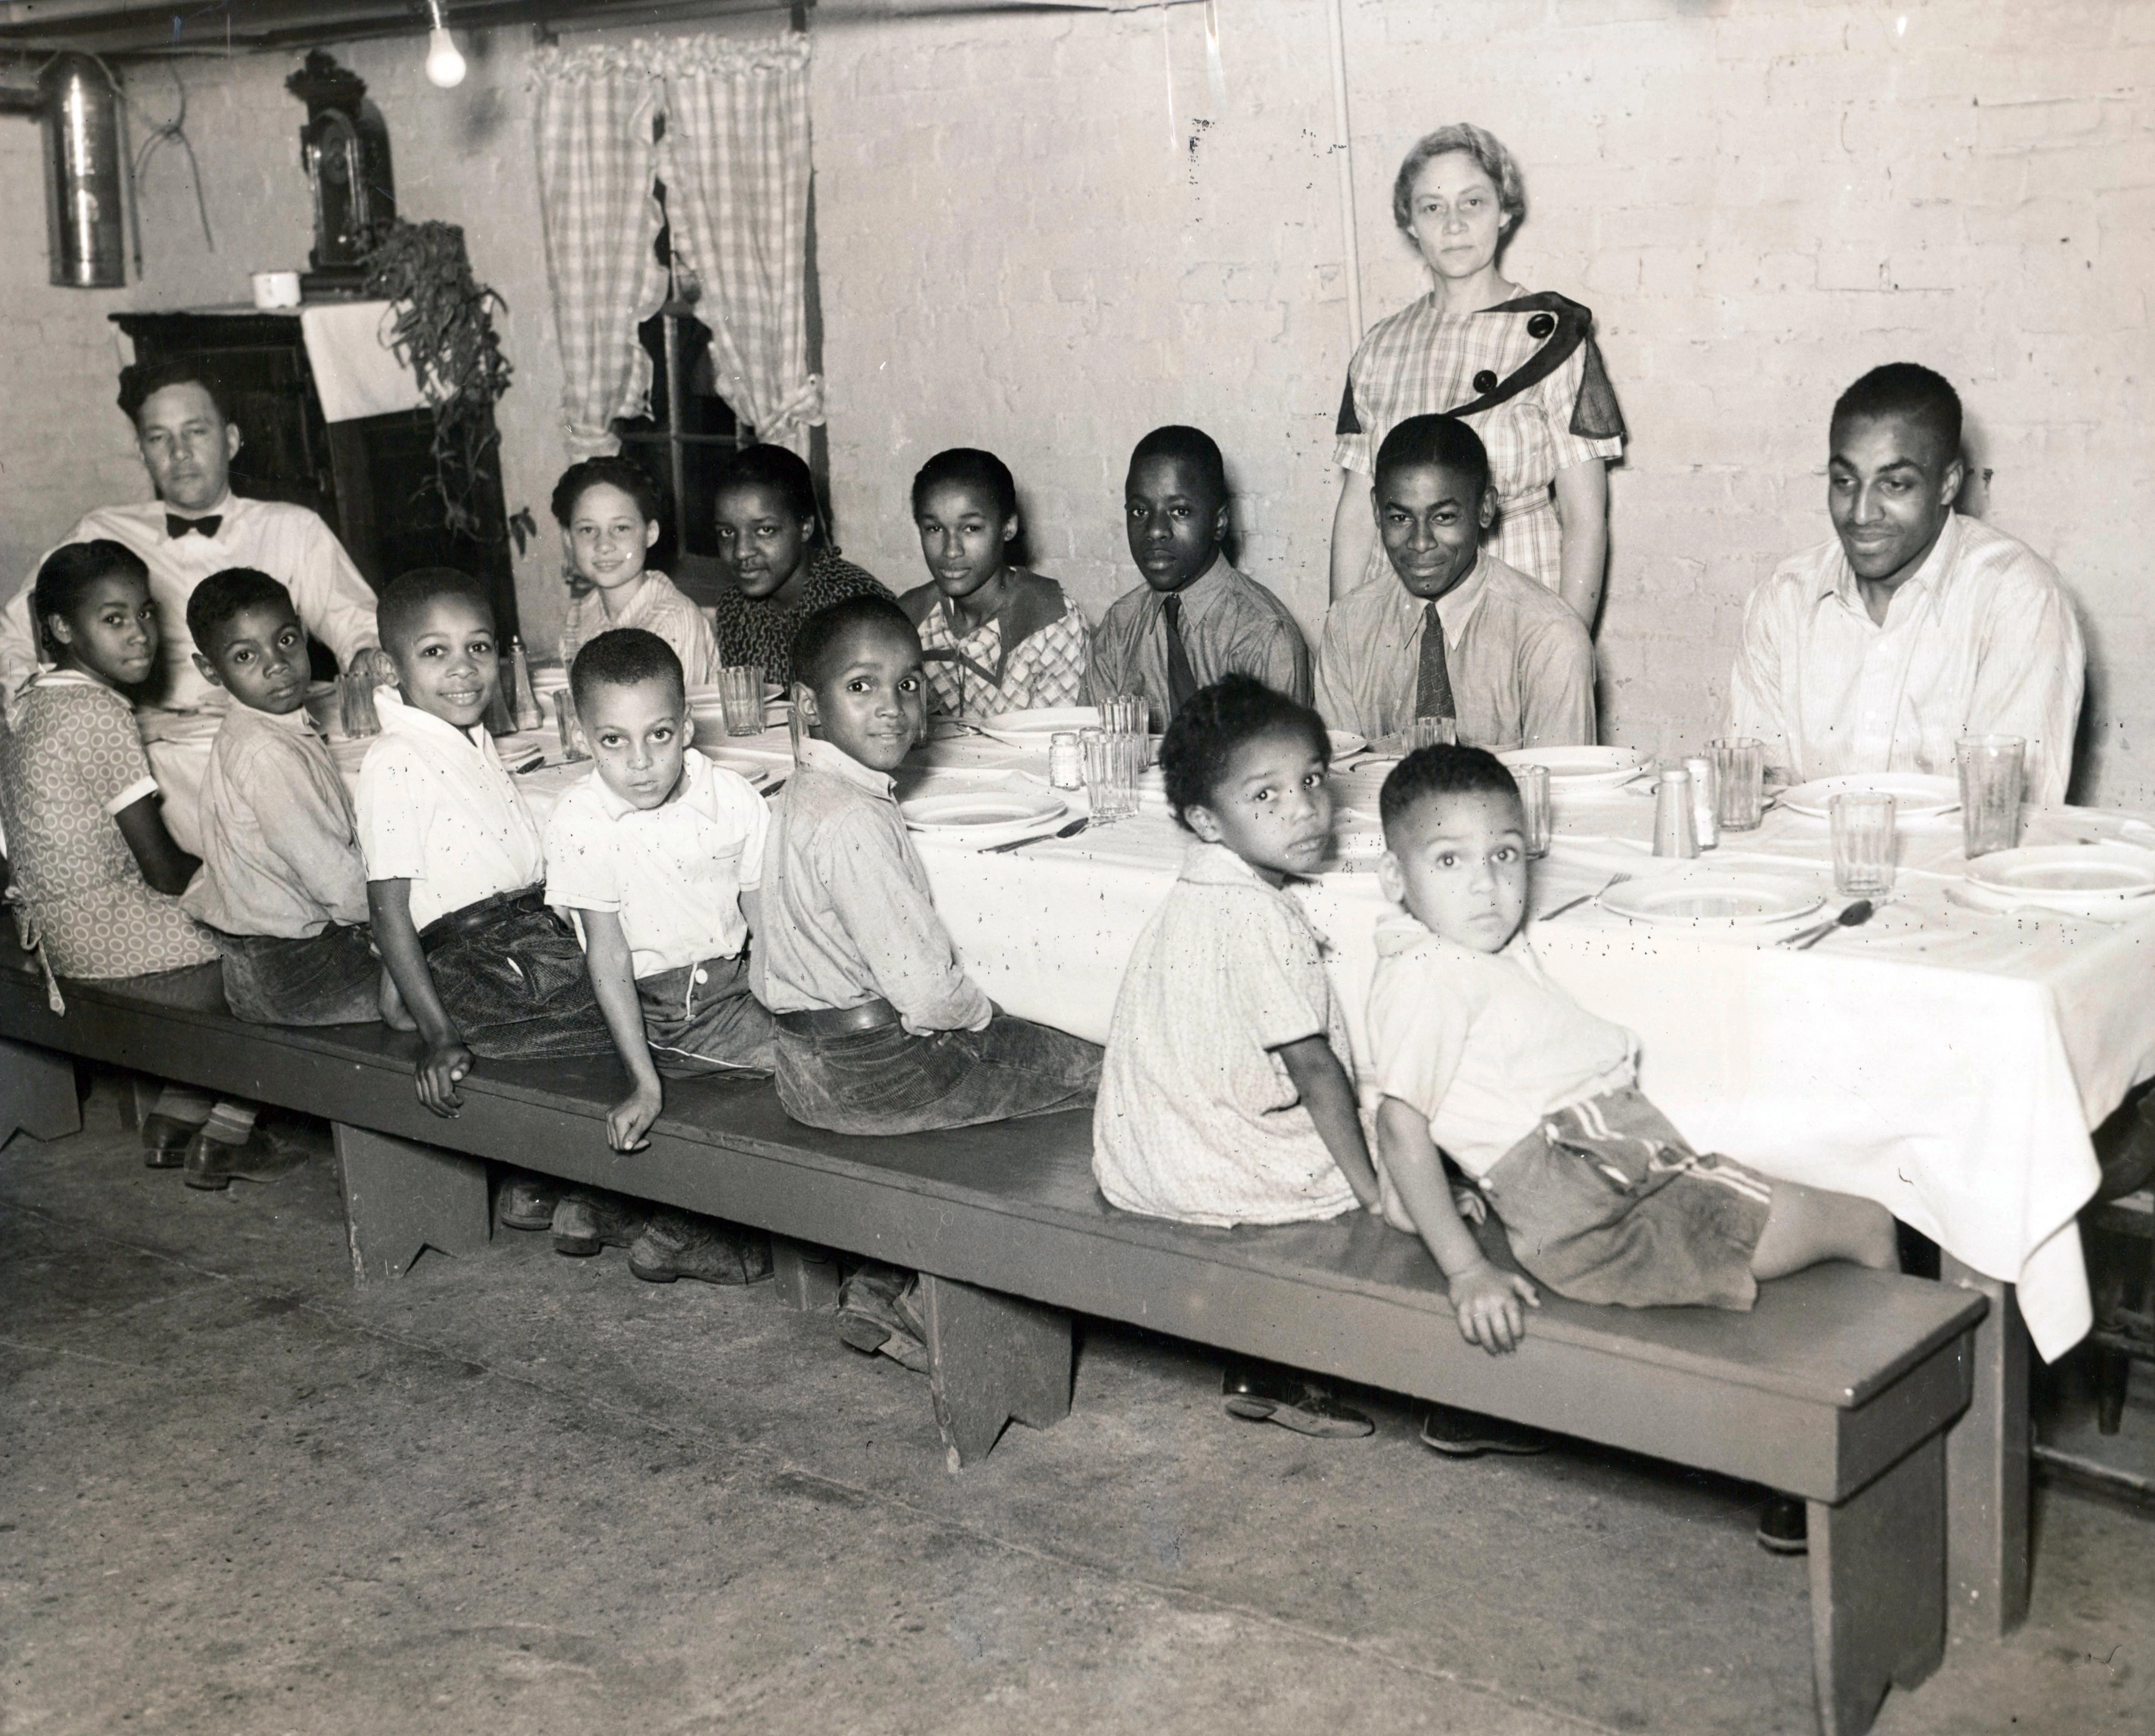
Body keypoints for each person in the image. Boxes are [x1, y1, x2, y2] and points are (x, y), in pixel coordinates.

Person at [1365, 743, 1897, 1526]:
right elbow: (1396, 1120)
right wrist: (1465, 1271)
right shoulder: (1433, 977)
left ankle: (1828, 1450)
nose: (1486, 884)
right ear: (1392, 878)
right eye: (1449, 860)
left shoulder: (1454, 954)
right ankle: (1864, 1465)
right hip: (1611, 1217)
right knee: (1870, 1221)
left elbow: (1424, 1100)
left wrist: (1412, 1203)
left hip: (1619, 1181)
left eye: (1505, 855)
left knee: (1809, 1196)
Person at [749, 594, 1102, 1369]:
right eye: (862, 686)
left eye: (909, 685)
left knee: (1039, 1057)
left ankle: (887, 1275)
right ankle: (918, 1298)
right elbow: (929, 993)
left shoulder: (802, 794)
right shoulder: (853, 820)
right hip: (874, 1077)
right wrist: (994, 1017)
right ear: (809, 705)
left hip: (805, 1067)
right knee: (1092, 1066)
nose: (893, 709)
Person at [1094, 674, 1383, 1438]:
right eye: (1266, 796)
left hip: (1145, 1153)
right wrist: (1374, 1192)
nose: (1303, 809)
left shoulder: (1195, 891)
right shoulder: (1257, 916)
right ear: (1205, 820)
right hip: (1214, 1167)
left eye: (1312, 781)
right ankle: (1292, 1372)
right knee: (1396, 1126)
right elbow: (1316, 1071)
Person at [0, 361, 393, 849]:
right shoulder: (102, 533)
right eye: (159, 438)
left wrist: (367, 654)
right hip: (168, 747)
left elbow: (356, 623)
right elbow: (16, 633)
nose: (180, 453)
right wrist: (35, 713)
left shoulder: (293, 528)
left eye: (195, 432)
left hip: (281, 722)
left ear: (230, 441)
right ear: (142, 452)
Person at [0, 541, 276, 1186]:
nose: (140, 635)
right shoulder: (96, 712)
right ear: (64, 629)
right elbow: (162, 871)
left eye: (146, 614)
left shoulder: (33, 700)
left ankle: (176, 1113)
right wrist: (240, 885)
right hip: (111, 938)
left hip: (60, 936)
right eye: (114, 619)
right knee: (277, 944)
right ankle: (231, 1133)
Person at [527, 626, 775, 1286]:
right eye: (614, 741)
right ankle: (683, 1228)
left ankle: (617, 1206)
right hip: (668, 1010)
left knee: (837, 1032)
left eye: (658, 735)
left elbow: (765, 918)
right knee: (817, 1064)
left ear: (687, 727)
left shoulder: (732, 796)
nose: (641, 762)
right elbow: (606, 959)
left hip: (740, 984)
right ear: (581, 738)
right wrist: (643, 1079)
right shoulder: (581, 820)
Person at [1724, 363, 2084, 804]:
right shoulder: (1784, 597)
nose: (1860, 513)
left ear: (1948, 484)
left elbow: (2006, 815)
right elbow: (1750, 794)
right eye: (1844, 482)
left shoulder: (2019, 597)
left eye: (1894, 485)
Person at [1329, 124, 1624, 622]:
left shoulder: (1553, 337)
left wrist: (1566, 651)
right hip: (1399, 608)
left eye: (1472, 203)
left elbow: (1584, 519)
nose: (1453, 225)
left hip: (1517, 604)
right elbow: (1358, 514)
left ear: (1504, 210)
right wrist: (1341, 636)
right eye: (1432, 207)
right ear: (1409, 223)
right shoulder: (1379, 348)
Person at [356, 569, 612, 1119]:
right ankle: (565, 1188)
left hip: (519, 945)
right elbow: (389, 909)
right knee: (644, 1022)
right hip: (488, 964)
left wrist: (395, 999)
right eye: (434, 652)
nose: (463, 669)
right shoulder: (396, 756)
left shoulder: (464, 734)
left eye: (478, 646)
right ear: (388, 666)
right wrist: (439, 1035)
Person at [178, 568, 386, 1038]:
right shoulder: (267, 752)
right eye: (246, 656)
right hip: (295, 972)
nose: (277, 665)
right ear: (210, 670)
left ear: (304, 633)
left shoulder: (266, 728)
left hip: (276, 962)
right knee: (449, 980)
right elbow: (338, 881)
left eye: (287, 640)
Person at [1315, 414, 1595, 749]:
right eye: (1400, 518)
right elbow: (1335, 781)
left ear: (1486, 508)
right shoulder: (1348, 624)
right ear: (1376, 510)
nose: (1420, 543)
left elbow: (1562, 795)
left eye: (1444, 517)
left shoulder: (1549, 637)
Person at [1087, 426, 1310, 725]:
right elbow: (1095, 750)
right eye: (1139, 511)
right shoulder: (1119, 627)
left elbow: (1277, 767)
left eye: (1179, 511)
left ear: (1218, 523)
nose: (1155, 530)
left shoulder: (1262, 635)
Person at [896, 447, 1088, 718]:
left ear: (1007, 527)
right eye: (935, 529)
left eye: (971, 528)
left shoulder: (1052, 622)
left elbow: (1052, 747)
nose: (951, 550)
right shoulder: (907, 619)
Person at [707, 443, 888, 689]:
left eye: (765, 530)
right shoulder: (734, 608)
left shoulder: (853, 603)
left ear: (805, 528)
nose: (741, 551)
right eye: (727, 532)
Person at [552, 455, 719, 686]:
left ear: (650, 533)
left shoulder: (675, 618)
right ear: (569, 539)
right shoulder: (578, 616)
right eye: (588, 530)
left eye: (621, 528)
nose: (603, 545)